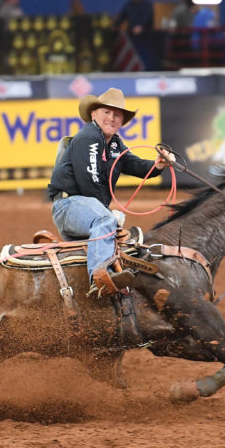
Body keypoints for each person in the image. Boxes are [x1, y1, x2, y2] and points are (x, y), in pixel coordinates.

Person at [47, 88, 174, 297]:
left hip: (83, 210)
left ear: (122, 120)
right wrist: (107, 215)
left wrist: (158, 165)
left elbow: (133, 164)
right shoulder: (88, 137)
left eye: (117, 115)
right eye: (106, 112)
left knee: (112, 228)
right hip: (69, 206)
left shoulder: (114, 143)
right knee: (106, 221)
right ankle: (100, 278)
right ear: (94, 114)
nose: (111, 118)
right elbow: (89, 182)